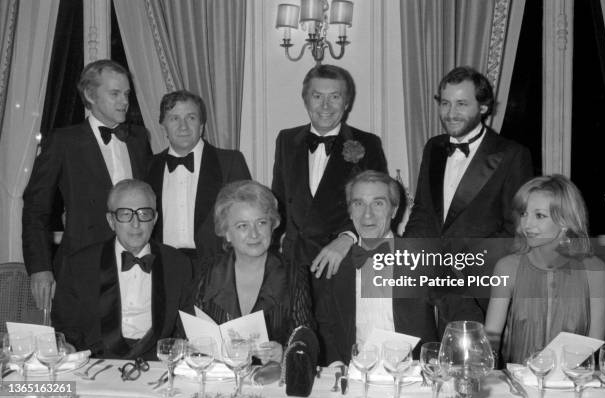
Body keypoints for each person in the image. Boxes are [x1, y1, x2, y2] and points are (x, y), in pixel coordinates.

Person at [403, 66, 533, 333]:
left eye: (462, 104)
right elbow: (423, 211)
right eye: (446, 103)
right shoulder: (434, 147)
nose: (451, 113)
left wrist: (462, 266)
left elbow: (515, 230)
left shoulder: (512, 154)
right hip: (429, 283)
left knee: (473, 368)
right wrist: (407, 258)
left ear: (484, 107)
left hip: (478, 287)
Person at [22, 59, 152, 311]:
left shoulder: (138, 139)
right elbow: (35, 210)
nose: (124, 101)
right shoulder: (63, 141)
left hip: (135, 261)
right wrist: (40, 268)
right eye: (114, 93)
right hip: (82, 262)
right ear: (90, 95)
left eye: (126, 93)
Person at [52, 179, 194, 359]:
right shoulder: (79, 265)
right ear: (111, 220)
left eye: (143, 213)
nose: (136, 223)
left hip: (158, 366)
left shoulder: (177, 264)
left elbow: (186, 327)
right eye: (125, 214)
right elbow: (65, 326)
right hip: (97, 365)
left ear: (155, 219)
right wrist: (70, 348)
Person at [271, 64, 388, 283]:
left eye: (334, 97)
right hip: (293, 265)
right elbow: (277, 200)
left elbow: (381, 205)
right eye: (317, 96)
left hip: (343, 262)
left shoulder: (368, 143)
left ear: (346, 103)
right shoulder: (286, 140)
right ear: (306, 100)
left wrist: (347, 237)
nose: (325, 105)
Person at [314, 171, 438, 365]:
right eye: (358, 203)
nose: (367, 214)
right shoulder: (337, 262)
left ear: (395, 211)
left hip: (412, 374)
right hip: (354, 372)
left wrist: (440, 361)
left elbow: (459, 313)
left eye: (378, 203)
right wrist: (336, 364)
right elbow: (324, 323)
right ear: (350, 211)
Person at [485, 175, 605, 364]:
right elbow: (489, 342)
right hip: (518, 387)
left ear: (565, 221)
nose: (527, 224)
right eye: (524, 214)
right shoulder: (507, 267)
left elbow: (595, 347)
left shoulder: (594, 270)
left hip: (574, 386)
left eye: (539, 215)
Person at [195, 180, 312, 363]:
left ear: (273, 226)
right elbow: (193, 338)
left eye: (261, 223)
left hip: (271, 382)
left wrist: (286, 352)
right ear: (226, 232)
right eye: (242, 226)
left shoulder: (294, 274)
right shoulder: (208, 271)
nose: (254, 234)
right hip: (221, 382)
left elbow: (305, 338)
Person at [147, 90, 251, 276]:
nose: (183, 126)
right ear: (163, 127)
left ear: (201, 125)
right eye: (174, 119)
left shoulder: (230, 162)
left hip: (219, 271)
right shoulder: (148, 167)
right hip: (163, 270)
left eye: (191, 118)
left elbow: (248, 219)